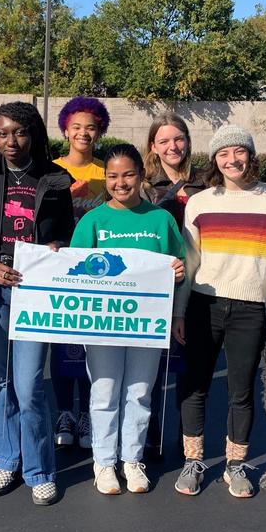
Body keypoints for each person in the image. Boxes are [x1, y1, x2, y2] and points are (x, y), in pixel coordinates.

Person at [172, 125, 266, 498]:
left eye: (239, 152)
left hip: (249, 310)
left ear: (251, 156)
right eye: (223, 154)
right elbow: (189, 263)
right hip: (201, 305)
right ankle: (193, 461)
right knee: (194, 386)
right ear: (214, 160)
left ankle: (236, 464)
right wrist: (180, 312)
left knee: (240, 392)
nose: (232, 160)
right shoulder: (200, 203)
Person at [0, 101, 75, 506]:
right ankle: (6, 460)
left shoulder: (57, 179)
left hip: (37, 293)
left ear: (35, 134)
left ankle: (39, 470)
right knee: (2, 382)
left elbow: (68, 233)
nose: (11, 141)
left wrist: (58, 247)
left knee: (29, 388)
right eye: (3, 132)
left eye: (20, 132)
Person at [69, 144, 185, 495]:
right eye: (113, 176)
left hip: (147, 324)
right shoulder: (93, 220)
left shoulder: (160, 219)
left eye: (128, 175)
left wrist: (178, 274)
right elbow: (73, 271)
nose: (121, 183)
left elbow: (181, 263)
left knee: (139, 392)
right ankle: (104, 463)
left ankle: (131, 460)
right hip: (102, 326)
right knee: (104, 392)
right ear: (105, 179)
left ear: (141, 175)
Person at [142, 113, 210, 452]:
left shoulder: (207, 181)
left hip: (199, 282)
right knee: (151, 367)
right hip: (156, 283)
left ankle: (188, 438)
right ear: (153, 146)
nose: (173, 146)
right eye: (164, 140)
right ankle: (148, 434)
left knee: (190, 365)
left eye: (178, 138)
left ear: (187, 140)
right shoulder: (142, 184)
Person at [50, 97, 112, 450]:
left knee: (90, 344)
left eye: (90, 127)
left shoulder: (108, 172)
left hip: (96, 270)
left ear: (100, 130)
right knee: (62, 346)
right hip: (59, 269)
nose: (83, 133)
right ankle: (64, 412)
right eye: (76, 127)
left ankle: (88, 412)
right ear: (65, 130)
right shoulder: (53, 170)